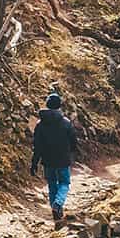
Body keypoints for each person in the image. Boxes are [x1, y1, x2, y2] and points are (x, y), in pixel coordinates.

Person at [30, 90, 80, 224]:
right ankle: (58, 204)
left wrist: (34, 163)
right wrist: (73, 153)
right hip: (63, 159)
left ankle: (56, 211)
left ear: (47, 105)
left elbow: (37, 145)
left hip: (47, 160)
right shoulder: (66, 122)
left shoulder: (40, 124)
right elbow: (73, 141)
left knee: (52, 185)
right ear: (59, 106)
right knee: (64, 183)